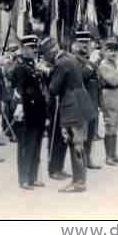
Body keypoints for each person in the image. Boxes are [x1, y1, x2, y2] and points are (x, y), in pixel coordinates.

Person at [40, 37, 97, 193]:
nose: (45, 58)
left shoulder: (61, 64)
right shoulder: (71, 58)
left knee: (75, 143)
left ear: (51, 52)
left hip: (72, 105)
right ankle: (80, 179)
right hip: (82, 103)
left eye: (45, 55)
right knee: (79, 143)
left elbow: (53, 89)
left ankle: (78, 182)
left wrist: (46, 73)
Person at [12, 35, 48, 190]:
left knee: (36, 145)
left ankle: (33, 177)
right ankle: (24, 179)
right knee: (26, 146)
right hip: (26, 112)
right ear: (24, 49)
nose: (34, 50)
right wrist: (19, 106)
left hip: (38, 111)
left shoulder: (34, 66)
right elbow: (18, 90)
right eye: (31, 48)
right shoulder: (20, 67)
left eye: (35, 48)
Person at [72, 31, 101, 169]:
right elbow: (81, 77)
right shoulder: (74, 59)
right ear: (76, 44)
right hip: (82, 102)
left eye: (87, 43)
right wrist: (91, 65)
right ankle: (80, 163)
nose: (85, 46)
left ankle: (88, 158)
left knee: (90, 135)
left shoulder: (92, 59)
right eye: (82, 43)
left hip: (93, 101)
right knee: (81, 136)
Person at [98, 39, 118, 165]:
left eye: (115, 50)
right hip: (109, 96)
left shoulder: (117, 64)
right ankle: (108, 157)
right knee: (110, 127)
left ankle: (114, 154)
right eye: (110, 50)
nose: (113, 53)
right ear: (105, 52)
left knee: (115, 127)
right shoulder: (103, 65)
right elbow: (113, 81)